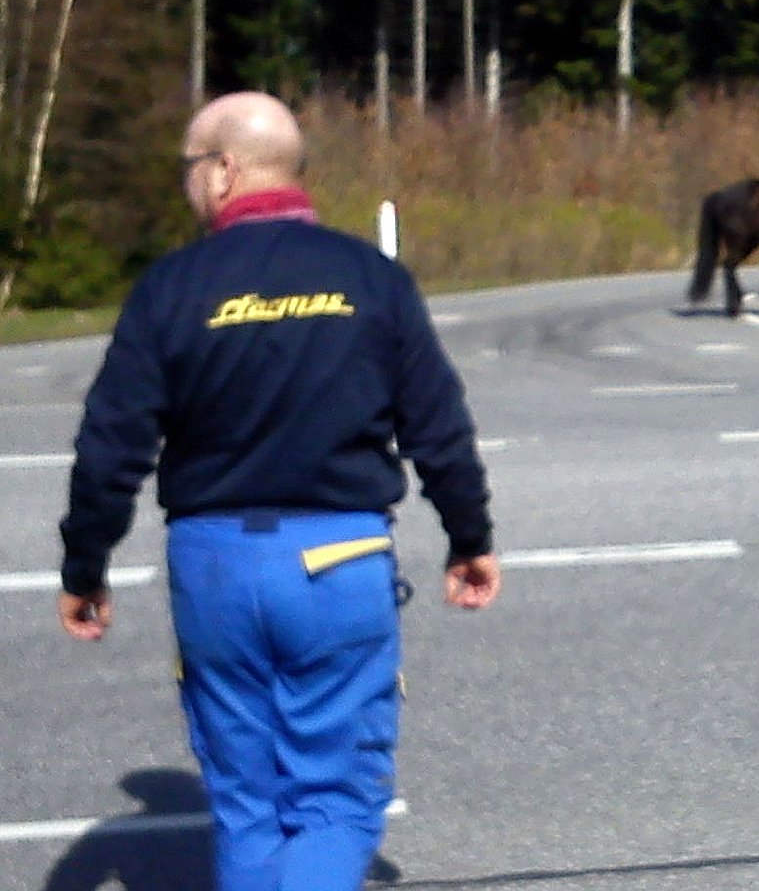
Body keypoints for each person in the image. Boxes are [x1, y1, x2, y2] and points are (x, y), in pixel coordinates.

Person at [57, 91, 501, 891]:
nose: (187, 184)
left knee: (245, 802)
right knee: (333, 802)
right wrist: (469, 537)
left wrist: (84, 568)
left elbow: (110, 444)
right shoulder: (371, 278)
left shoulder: (171, 286)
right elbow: (438, 425)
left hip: (214, 567)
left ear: (225, 170)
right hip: (338, 558)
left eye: (191, 167)